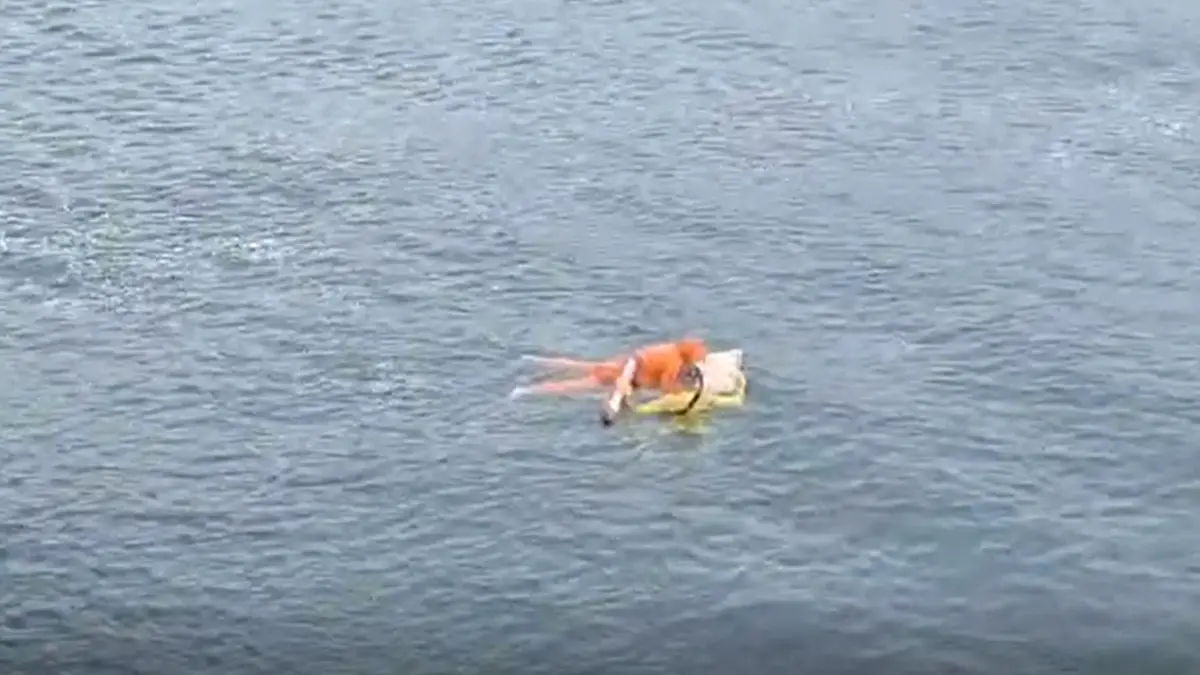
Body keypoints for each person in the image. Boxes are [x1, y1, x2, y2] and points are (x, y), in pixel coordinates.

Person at [512, 338, 710, 421]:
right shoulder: (674, 364)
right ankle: (526, 391)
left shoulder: (670, 349)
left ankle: (535, 361)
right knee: (574, 385)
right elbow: (668, 389)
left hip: (622, 365)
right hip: (624, 377)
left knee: (580, 366)